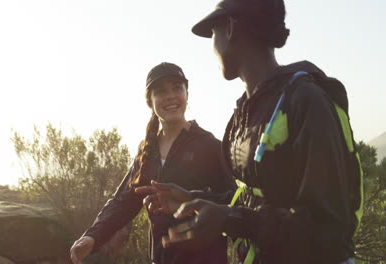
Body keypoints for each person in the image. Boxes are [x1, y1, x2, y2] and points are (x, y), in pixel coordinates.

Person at [137, 1, 364, 263]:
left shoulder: (307, 101)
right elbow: (255, 200)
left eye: (213, 33)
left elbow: (329, 231)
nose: (212, 47)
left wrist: (230, 219)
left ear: (231, 28)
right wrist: (193, 199)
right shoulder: (247, 110)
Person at [70, 62, 234, 264]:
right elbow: (125, 200)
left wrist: (188, 202)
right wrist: (93, 237)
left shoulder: (210, 145)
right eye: (161, 91)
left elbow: (233, 202)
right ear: (150, 101)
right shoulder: (147, 150)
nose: (171, 96)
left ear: (187, 94)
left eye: (177, 88)